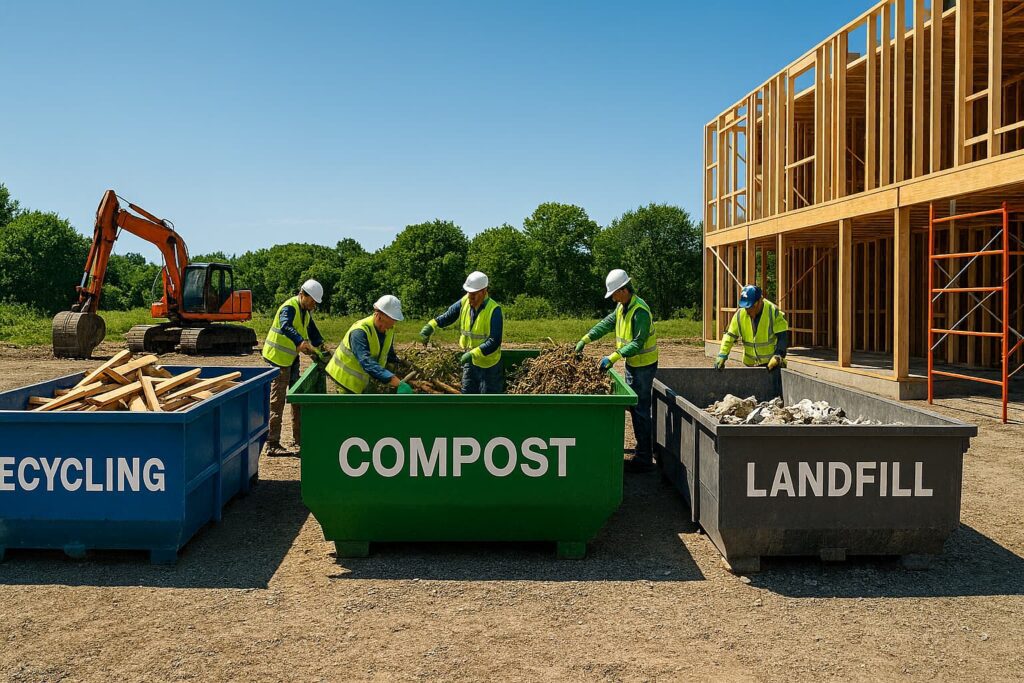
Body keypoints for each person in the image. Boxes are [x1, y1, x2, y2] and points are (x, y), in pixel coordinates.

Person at [575, 269, 659, 473]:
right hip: (633, 364)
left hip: (644, 366)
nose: (613, 298)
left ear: (624, 289)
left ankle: (645, 459)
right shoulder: (623, 307)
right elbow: (607, 324)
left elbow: (638, 343)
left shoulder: (639, 311)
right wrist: (586, 338)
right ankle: (643, 451)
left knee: (640, 410)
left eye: (614, 294)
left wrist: (613, 357)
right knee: (636, 409)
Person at [262, 279, 326, 456]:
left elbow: (312, 331)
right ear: (302, 295)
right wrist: (300, 342)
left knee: (297, 397)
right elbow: (285, 326)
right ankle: (272, 443)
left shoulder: (305, 311)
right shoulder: (289, 308)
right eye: (312, 301)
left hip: (291, 358)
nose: (314, 305)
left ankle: (299, 441)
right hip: (278, 360)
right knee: (278, 401)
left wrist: (321, 347)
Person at [419, 271, 504, 394]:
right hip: (470, 361)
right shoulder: (465, 301)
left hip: (489, 365)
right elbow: (449, 315)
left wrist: (473, 353)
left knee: (488, 401)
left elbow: (494, 341)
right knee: (467, 396)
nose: (470, 297)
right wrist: (432, 325)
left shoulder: (494, 310)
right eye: (469, 293)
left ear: (484, 291)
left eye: (474, 294)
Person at [325, 295, 414, 395]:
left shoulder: (389, 328)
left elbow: (388, 353)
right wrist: (393, 380)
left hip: (364, 380)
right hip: (345, 379)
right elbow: (366, 361)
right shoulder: (359, 332)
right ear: (379, 315)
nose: (390, 327)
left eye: (393, 322)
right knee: (349, 409)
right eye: (388, 322)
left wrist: (401, 366)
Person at [715, 285, 789, 370]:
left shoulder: (773, 312)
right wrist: (722, 354)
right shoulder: (740, 314)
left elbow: (782, 337)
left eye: (750, 307)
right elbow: (730, 336)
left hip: (771, 365)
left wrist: (778, 355)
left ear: (759, 302)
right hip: (750, 365)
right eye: (745, 307)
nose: (747, 311)